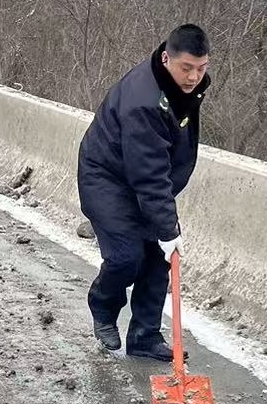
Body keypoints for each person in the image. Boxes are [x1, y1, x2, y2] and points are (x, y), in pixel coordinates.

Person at [77, 24, 211, 361]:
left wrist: (163, 235)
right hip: (106, 178)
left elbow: (156, 167)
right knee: (126, 257)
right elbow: (148, 174)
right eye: (186, 68)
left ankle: (144, 336)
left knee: (157, 260)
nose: (194, 77)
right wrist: (167, 228)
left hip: (141, 178)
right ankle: (103, 306)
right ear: (166, 58)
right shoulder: (144, 102)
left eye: (201, 68)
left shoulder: (180, 88)